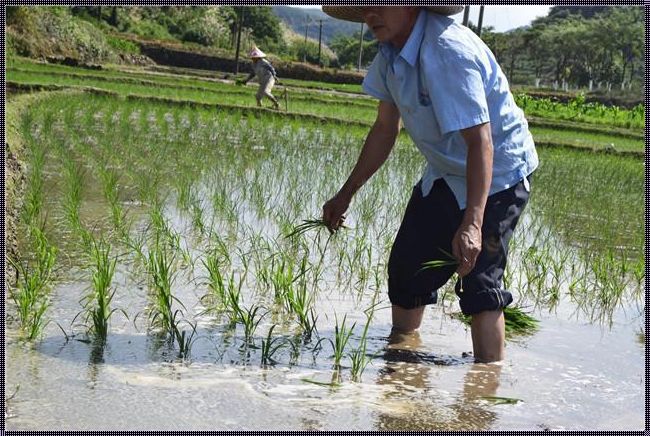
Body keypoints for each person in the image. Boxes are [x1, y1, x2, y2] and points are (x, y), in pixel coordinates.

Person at [321, 6, 538, 363]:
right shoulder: (390, 52)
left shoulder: (447, 51)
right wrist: (345, 194)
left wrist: (472, 222)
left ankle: (486, 390)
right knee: (407, 269)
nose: (370, 14)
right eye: (363, 7)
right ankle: (402, 360)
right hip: (445, 169)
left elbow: (481, 143)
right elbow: (385, 129)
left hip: (499, 171)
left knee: (480, 281)